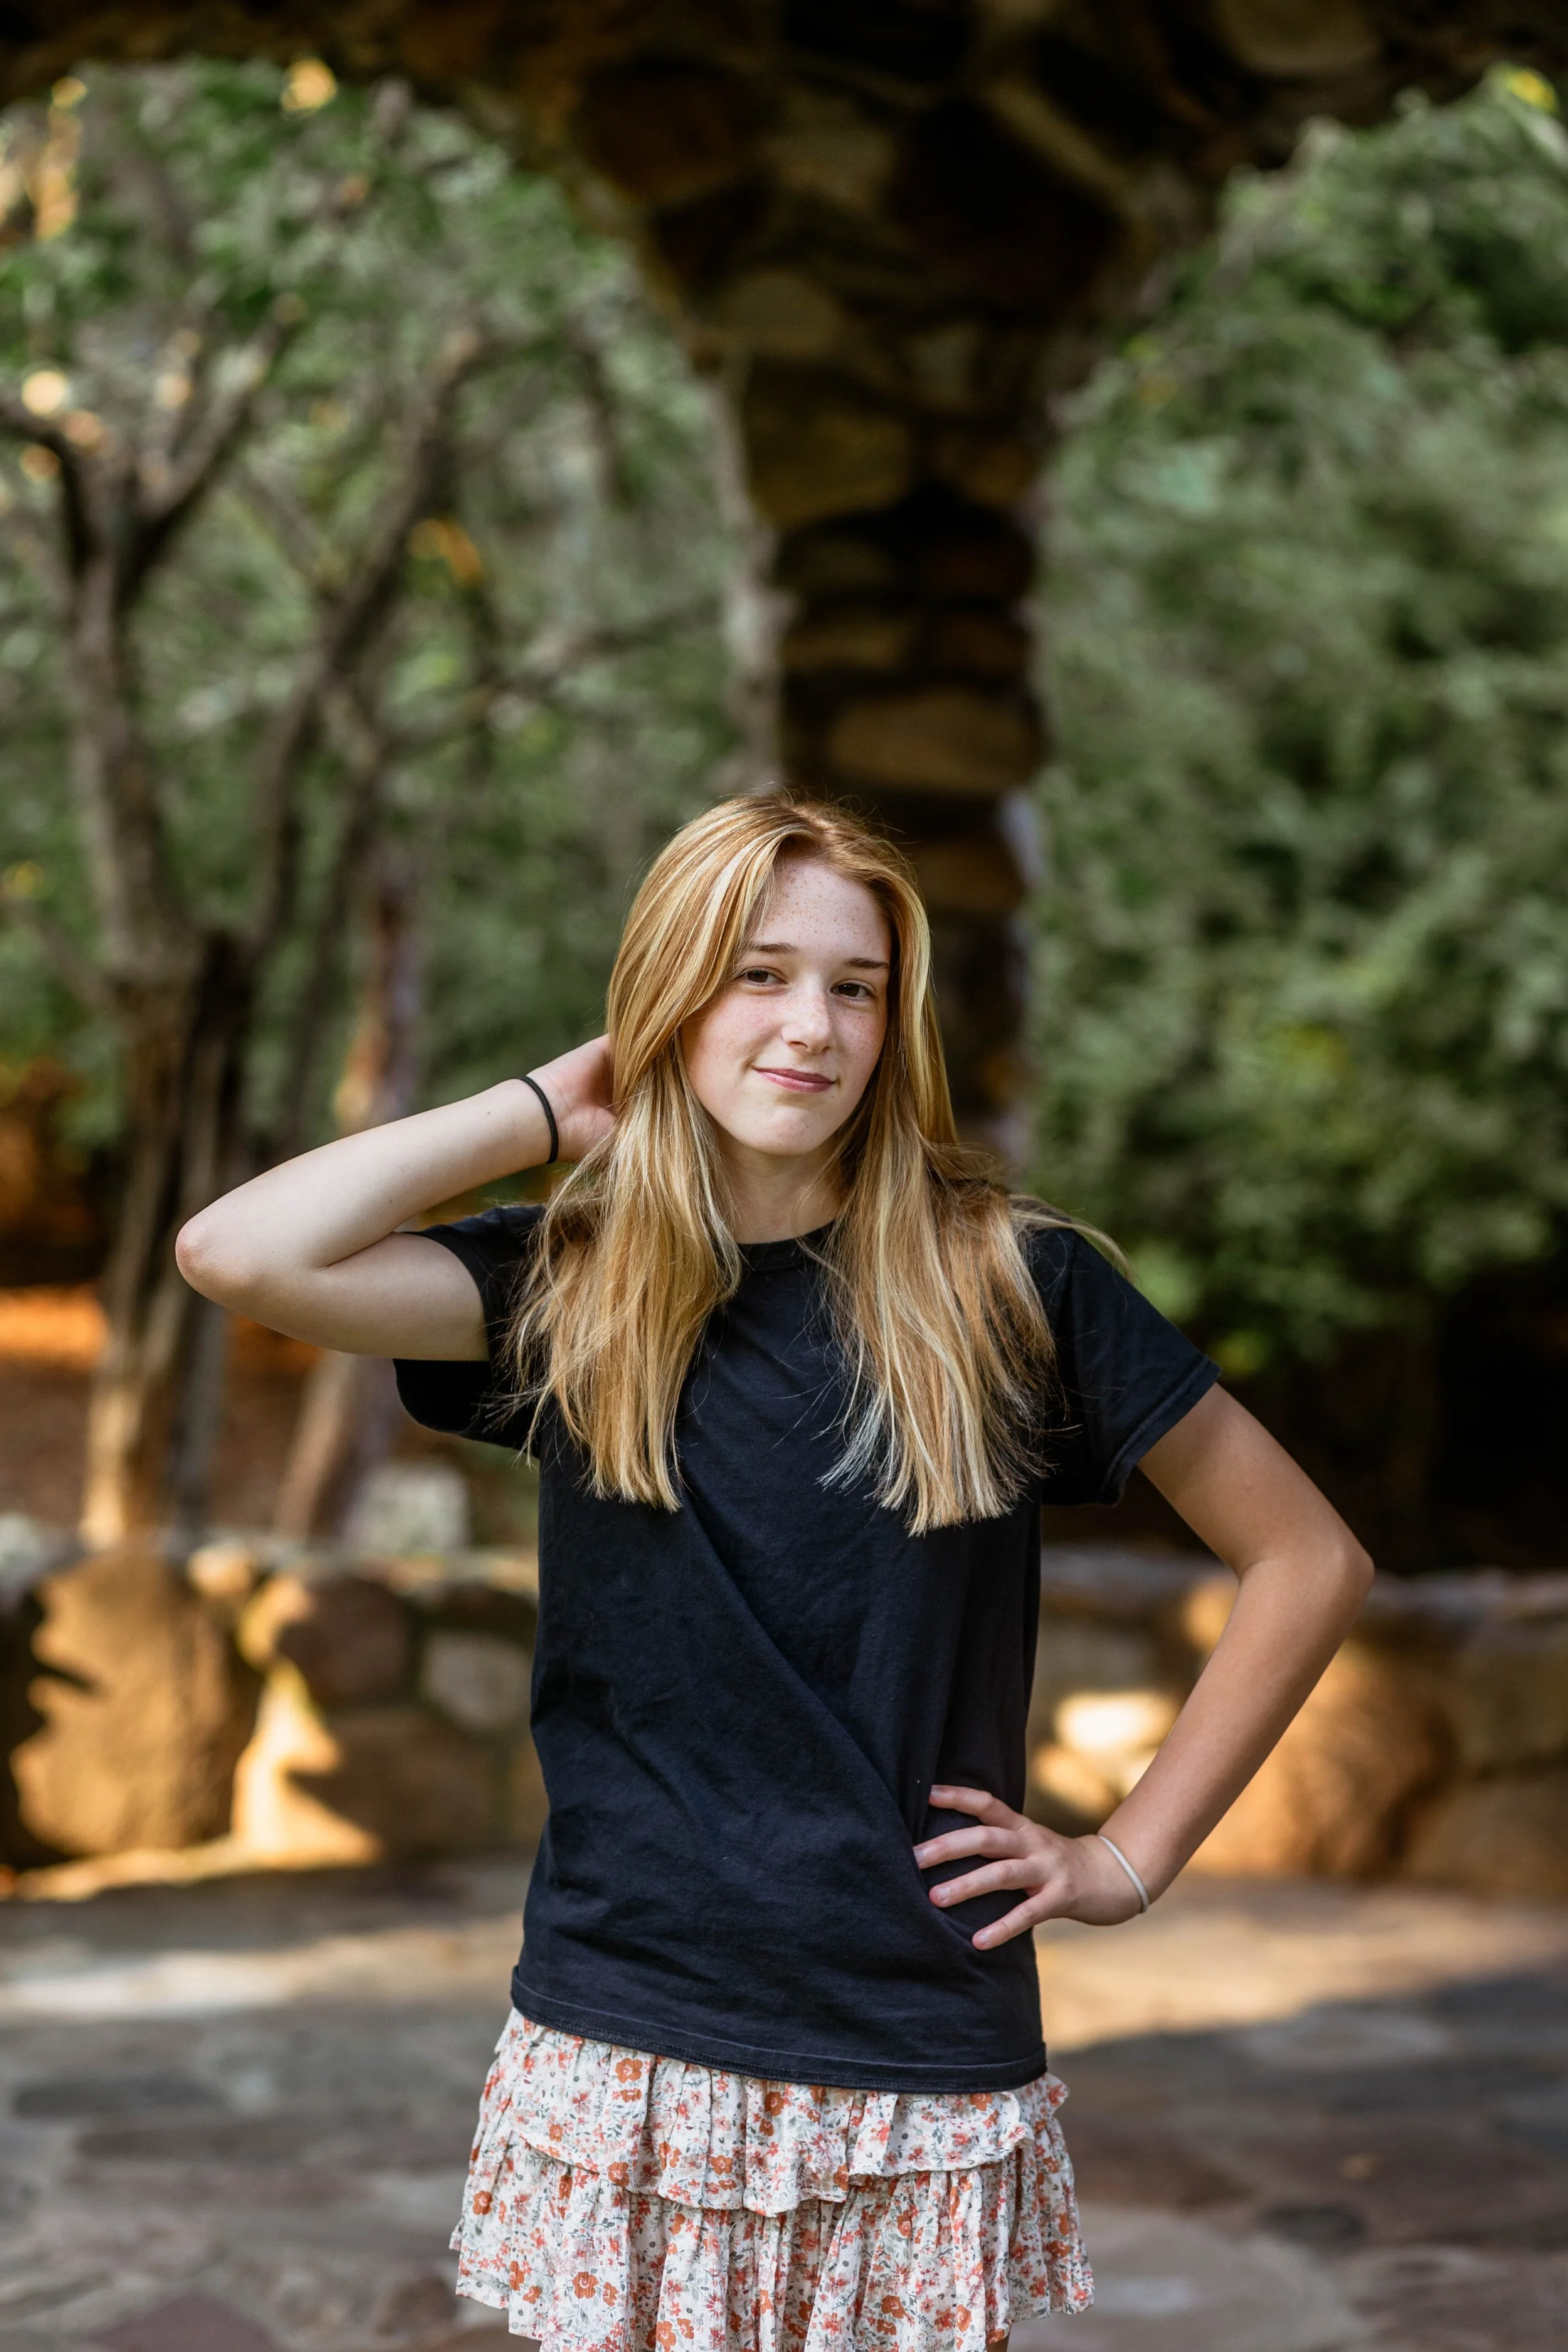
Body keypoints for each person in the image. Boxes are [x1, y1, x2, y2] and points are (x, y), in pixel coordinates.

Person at [178, 792, 1373, 2352]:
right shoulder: (570, 1287)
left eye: (854, 986)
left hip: (908, 2041)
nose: (810, 1026)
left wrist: (1125, 1860)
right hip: (627, 2031)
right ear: (670, 995)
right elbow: (239, 1254)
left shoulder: (1008, 1285)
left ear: (894, 1019)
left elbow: (1306, 1556)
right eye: (754, 973)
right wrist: (543, 1109)